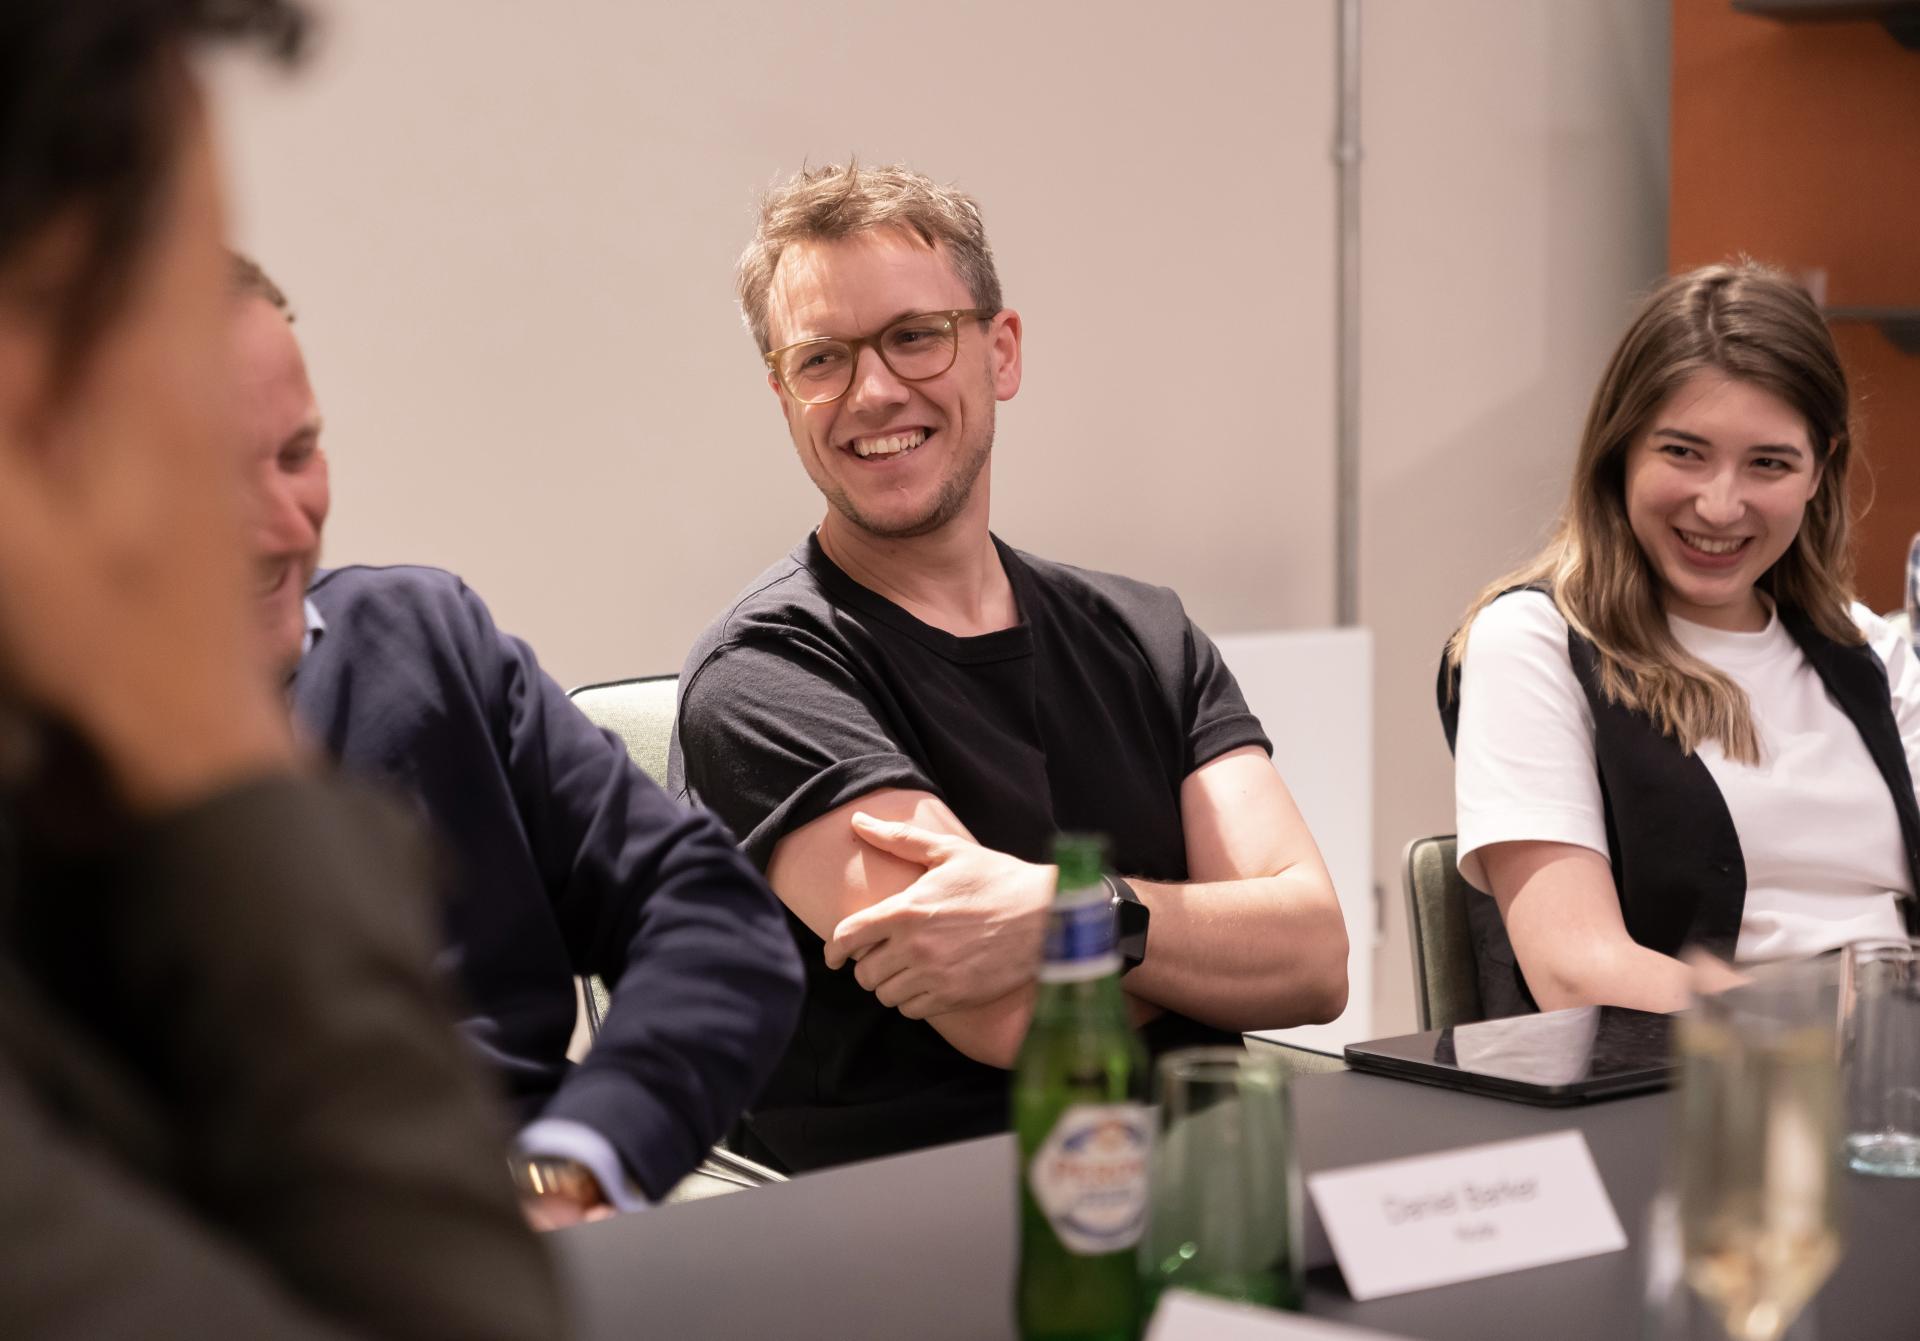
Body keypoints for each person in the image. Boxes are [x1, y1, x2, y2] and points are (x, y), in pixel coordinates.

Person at [0, 2, 561, 1336]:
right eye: (179, 312)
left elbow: (687, 910)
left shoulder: (432, 626)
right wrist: (216, 746)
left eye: (299, 446)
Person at [669, 163, 1348, 1172]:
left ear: (1002, 349)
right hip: (926, 1233)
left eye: (915, 335)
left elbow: (1315, 955)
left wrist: (1062, 911)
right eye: (821, 359)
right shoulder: (764, 677)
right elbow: (1021, 1021)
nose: (874, 390)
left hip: (1205, 1186)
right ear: (782, 392)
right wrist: (1202, 940)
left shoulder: (1145, 632)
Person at [227, 260, 804, 1223]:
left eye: (297, 454)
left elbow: (715, 918)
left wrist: (576, 1166)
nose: (286, 526)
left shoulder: (422, 639)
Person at [1441, 261, 1920, 1018]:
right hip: (1687, 1098)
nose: (1720, 504)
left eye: (1769, 463)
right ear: (1621, 447)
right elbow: (1576, 966)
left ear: (1818, 471)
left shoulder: (1868, 648)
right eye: (1683, 452)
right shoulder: (1533, 642)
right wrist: (1837, 1032)